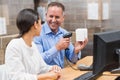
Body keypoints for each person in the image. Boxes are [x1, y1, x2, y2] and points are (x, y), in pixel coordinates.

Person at [5, 8, 62, 80]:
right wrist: (47, 76)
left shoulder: (33, 45)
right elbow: (16, 77)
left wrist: (52, 68)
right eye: (40, 23)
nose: (42, 26)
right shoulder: (14, 45)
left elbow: (42, 67)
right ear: (35, 25)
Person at [34, 2, 88, 68]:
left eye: (57, 17)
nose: (53, 20)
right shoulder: (37, 33)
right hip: (45, 76)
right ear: (46, 16)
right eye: (51, 16)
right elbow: (38, 61)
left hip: (60, 74)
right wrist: (57, 48)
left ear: (63, 18)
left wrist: (76, 50)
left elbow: (73, 60)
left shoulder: (64, 33)